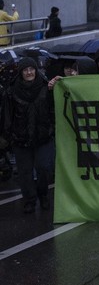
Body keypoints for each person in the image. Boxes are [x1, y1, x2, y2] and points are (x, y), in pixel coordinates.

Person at [1, 57, 54, 213]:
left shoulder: (46, 87)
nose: (29, 72)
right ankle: (29, 199)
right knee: (25, 172)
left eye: (31, 69)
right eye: (25, 70)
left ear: (36, 70)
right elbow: (7, 115)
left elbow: (53, 110)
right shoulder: (11, 91)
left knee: (44, 168)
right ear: (21, 72)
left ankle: (43, 195)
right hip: (20, 139)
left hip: (43, 137)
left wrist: (52, 128)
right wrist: (7, 136)